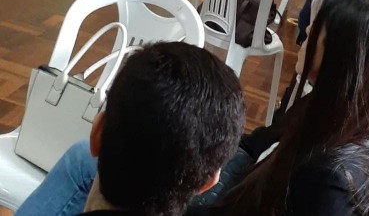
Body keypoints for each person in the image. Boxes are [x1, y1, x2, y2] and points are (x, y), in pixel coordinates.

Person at [187, 0, 369, 215]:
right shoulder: (338, 112)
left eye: (313, 31)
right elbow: (255, 143)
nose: (304, 34)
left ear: (343, 60)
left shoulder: (333, 182)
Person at [16, 42, 245, 216]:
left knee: (80, 155)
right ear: (209, 182)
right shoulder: (209, 184)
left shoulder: (92, 144)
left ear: (97, 133)